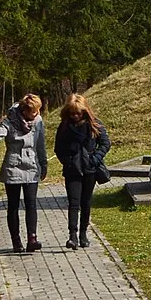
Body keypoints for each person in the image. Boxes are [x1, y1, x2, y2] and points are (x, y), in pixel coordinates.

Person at [0, 93, 48, 252]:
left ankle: (32, 239)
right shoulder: (10, 121)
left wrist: (44, 163)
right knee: (13, 205)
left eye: (38, 111)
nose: (36, 114)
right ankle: (16, 241)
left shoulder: (38, 121)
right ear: (24, 111)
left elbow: (41, 143)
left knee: (31, 203)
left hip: (32, 166)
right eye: (34, 112)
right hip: (13, 166)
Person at [54, 92, 112, 250]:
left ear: (84, 111)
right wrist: (67, 161)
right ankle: (72, 236)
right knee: (73, 203)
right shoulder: (65, 126)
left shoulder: (94, 124)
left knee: (86, 202)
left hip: (89, 169)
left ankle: (83, 234)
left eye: (78, 113)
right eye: (72, 113)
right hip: (72, 170)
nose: (75, 116)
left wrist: (95, 159)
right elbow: (58, 148)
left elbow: (105, 143)